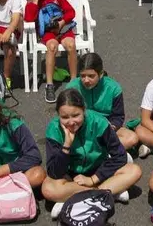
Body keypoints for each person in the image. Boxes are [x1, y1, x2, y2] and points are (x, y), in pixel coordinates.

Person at [42, 89, 142, 220]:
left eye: (76, 115)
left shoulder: (99, 122)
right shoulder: (53, 129)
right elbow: (54, 172)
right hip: (70, 177)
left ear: (84, 110)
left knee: (134, 171)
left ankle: (71, 198)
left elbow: (119, 155)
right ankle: (107, 192)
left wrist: (93, 179)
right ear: (58, 115)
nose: (71, 122)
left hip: (98, 171)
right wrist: (66, 147)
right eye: (65, 117)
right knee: (48, 189)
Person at [66, 53, 139, 152]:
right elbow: (66, 116)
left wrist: (111, 127)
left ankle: (89, 153)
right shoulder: (71, 88)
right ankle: (107, 153)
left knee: (132, 138)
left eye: (91, 76)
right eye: (82, 76)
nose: (86, 80)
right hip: (79, 127)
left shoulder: (114, 88)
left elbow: (118, 116)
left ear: (101, 74)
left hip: (105, 128)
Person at [23, 0, 78, 103]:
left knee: (70, 44)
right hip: (47, 32)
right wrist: (36, 0)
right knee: (52, 46)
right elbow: (29, 19)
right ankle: (49, 84)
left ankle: (74, 80)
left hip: (62, 28)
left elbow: (71, 12)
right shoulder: (31, 3)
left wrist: (62, 23)